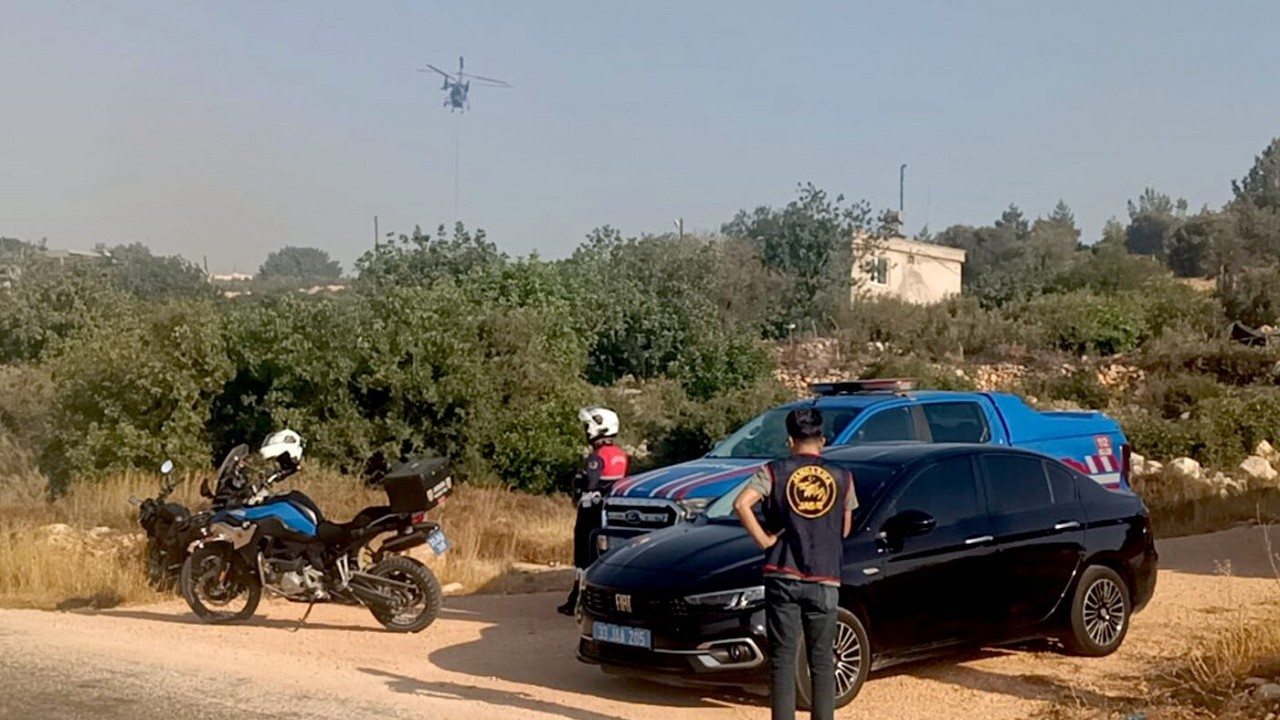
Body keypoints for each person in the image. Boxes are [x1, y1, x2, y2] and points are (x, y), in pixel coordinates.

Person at [732, 407, 856, 720]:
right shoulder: (842, 476)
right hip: (825, 575)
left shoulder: (774, 472)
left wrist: (764, 540)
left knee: (783, 660)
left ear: (790, 441)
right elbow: (845, 529)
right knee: (822, 661)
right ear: (822, 440)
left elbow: (741, 504)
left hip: (782, 572)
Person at [557, 406, 628, 616]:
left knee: (583, 555)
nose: (586, 430)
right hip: (611, 511)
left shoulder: (597, 457)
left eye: (588, 426)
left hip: (590, 510)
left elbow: (590, 484)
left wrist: (579, 482)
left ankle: (577, 600)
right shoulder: (621, 455)